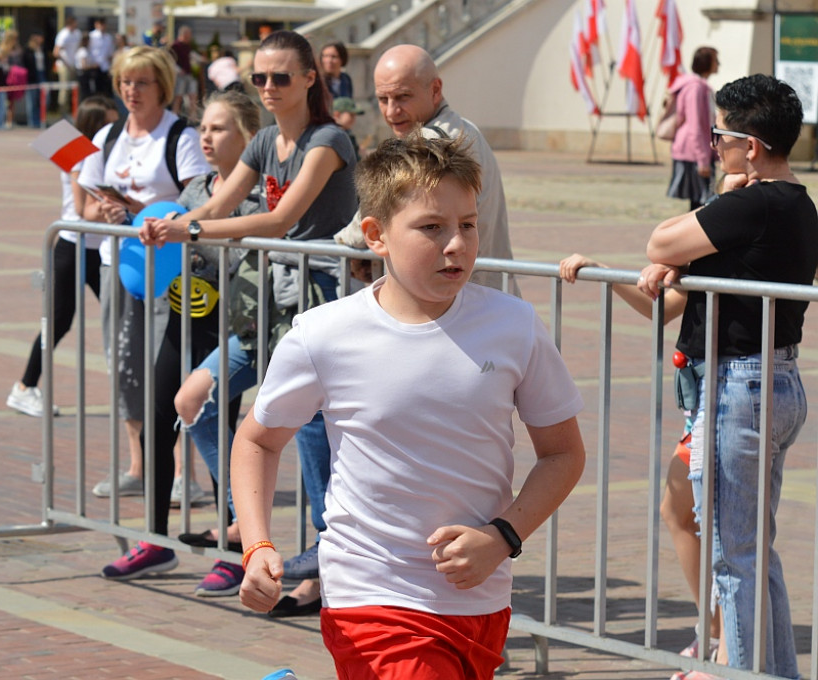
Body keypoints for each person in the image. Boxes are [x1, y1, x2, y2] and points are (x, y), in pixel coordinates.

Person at [233, 133, 587, 680]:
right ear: (376, 235)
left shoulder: (513, 324)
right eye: (431, 227)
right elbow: (258, 438)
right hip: (370, 594)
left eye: (467, 224)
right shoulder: (324, 334)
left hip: (479, 597)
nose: (457, 244)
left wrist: (502, 537)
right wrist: (256, 544)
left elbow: (563, 453)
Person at [123, 32, 357, 611]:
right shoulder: (266, 144)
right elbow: (218, 204)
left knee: (309, 434)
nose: (270, 88)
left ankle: (323, 566)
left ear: (309, 79)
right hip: (267, 307)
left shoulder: (328, 141)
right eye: (260, 78)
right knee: (194, 399)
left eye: (281, 77)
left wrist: (192, 229)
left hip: (317, 295)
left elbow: (280, 219)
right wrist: (171, 221)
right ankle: (243, 525)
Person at [639, 73, 817, 679]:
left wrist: (720, 195)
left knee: (733, 558)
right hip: (777, 379)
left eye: (721, 136)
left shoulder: (755, 202)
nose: (715, 146)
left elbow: (662, 239)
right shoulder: (797, 201)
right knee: (753, 554)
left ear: (753, 145)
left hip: (739, 385)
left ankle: (740, 672)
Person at [104, 91, 264, 597]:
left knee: (217, 428)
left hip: (227, 325)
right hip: (181, 317)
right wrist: (141, 221)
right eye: (203, 129)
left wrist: (192, 242)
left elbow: (232, 246)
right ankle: (154, 539)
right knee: (156, 420)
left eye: (219, 129)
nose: (207, 138)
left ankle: (236, 548)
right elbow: (176, 229)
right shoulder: (196, 186)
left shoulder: (258, 197)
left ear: (247, 136)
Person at [558, 253, 722, 665]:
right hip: (703, 400)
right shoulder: (719, 238)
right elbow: (663, 307)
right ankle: (717, 635)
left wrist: (671, 257)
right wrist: (610, 274)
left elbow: (662, 241)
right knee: (680, 509)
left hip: (733, 394)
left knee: (722, 526)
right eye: (731, 181)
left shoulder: (748, 228)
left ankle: (724, 646)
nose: (740, 182)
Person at [76, 46, 211, 504]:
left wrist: (141, 210)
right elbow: (85, 203)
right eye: (125, 83)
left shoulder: (181, 137)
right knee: (125, 367)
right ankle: (138, 465)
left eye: (142, 83)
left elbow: (200, 201)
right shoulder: (107, 135)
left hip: (171, 269)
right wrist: (106, 209)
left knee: (169, 368)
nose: (132, 91)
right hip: (121, 264)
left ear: (163, 88)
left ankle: (181, 474)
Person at [334, 44, 517, 295]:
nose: (391, 111)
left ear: (435, 90)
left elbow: (366, 222)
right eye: (383, 99)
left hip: (455, 301)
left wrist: (341, 246)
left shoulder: (428, 141)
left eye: (402, 97)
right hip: (482, 297)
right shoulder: (465, 129)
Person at [7, 95, 119, 418]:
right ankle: (25, 387)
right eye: (110, 123)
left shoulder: (98, 155)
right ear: (96, 125)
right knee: (58, 322)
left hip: (98, 248)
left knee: (122, 317)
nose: (116, 129)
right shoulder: (81, 158)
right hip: (74, 247)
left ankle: (136, 386)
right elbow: (85, 209)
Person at [666, 47, 720, 210]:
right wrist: (702, 160)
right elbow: (695, 125)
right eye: (716, 60)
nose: (719, 64)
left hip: (698, 151)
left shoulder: (701, 86)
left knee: (701, 203)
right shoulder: (695, 88)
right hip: (693, 153)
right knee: (701, 203)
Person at [53, 15, 81, 114]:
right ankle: (63, 113)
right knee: (64, 90)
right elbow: (56, 52)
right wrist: (66, 64)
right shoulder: (63, 35)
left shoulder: (77, 33)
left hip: (74, 65)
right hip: (64, 66)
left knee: (74, 90)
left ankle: (73, 112)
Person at [169, 26, 198, 114]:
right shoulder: (175, 46)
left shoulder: (187, 46)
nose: (190, 37)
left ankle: (193, 117)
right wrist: (178, 70)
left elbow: (191, 56)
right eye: (189, 35)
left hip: (188, 74)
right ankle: (175, 115)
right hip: (180, 75)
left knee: (193, 95)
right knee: (178, 96)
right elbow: (170, 60)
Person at [22, 33, 47, 128]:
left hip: (41, 75)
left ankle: (40, 120)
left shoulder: (42, 49)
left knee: (42, 100)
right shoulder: (28, 50)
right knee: (31, 101)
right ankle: (32, 122)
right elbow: (26, 63)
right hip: (32, 78)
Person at [88, 17, 114, 96]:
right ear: (96, 25)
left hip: (105, 66)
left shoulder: (108, 37)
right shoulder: (92, 36)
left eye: (103, 24)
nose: (102, 27)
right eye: (100, 24)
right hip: (95, 66)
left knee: (106, 88)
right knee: (96, 88)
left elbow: (110, 52)